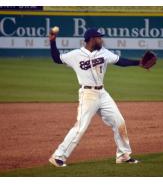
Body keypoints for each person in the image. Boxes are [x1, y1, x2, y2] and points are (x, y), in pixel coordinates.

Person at [48, 27, 143, 167]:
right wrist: (52, 42)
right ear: (92, 39)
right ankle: (58, 156)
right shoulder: (75, 55)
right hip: (88, 95)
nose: (101, 39)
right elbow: (57, 59)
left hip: (102, 93)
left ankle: (123, 155)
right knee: (80, 127)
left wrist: (138, 63)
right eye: (99, 37)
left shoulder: (103, 52)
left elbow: (120, 61)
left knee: (119, 121)